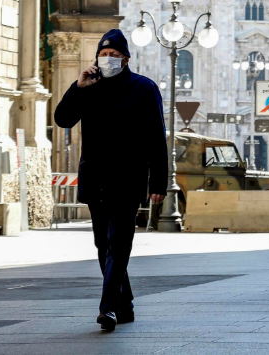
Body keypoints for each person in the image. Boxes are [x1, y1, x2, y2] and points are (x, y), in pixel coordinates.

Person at [53, 29, 168, 332]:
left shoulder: (144, 88)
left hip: (128, 180)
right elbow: (63, 118)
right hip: (95, 178)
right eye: (103, 55)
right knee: (103, 245)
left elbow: (157, 138)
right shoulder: (88, 87)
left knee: (119, 241)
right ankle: (125, 305)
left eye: (114, 56)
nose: (108, 60)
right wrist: (77, 88)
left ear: (126, 59)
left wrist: (158, 182)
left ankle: (108, 308)